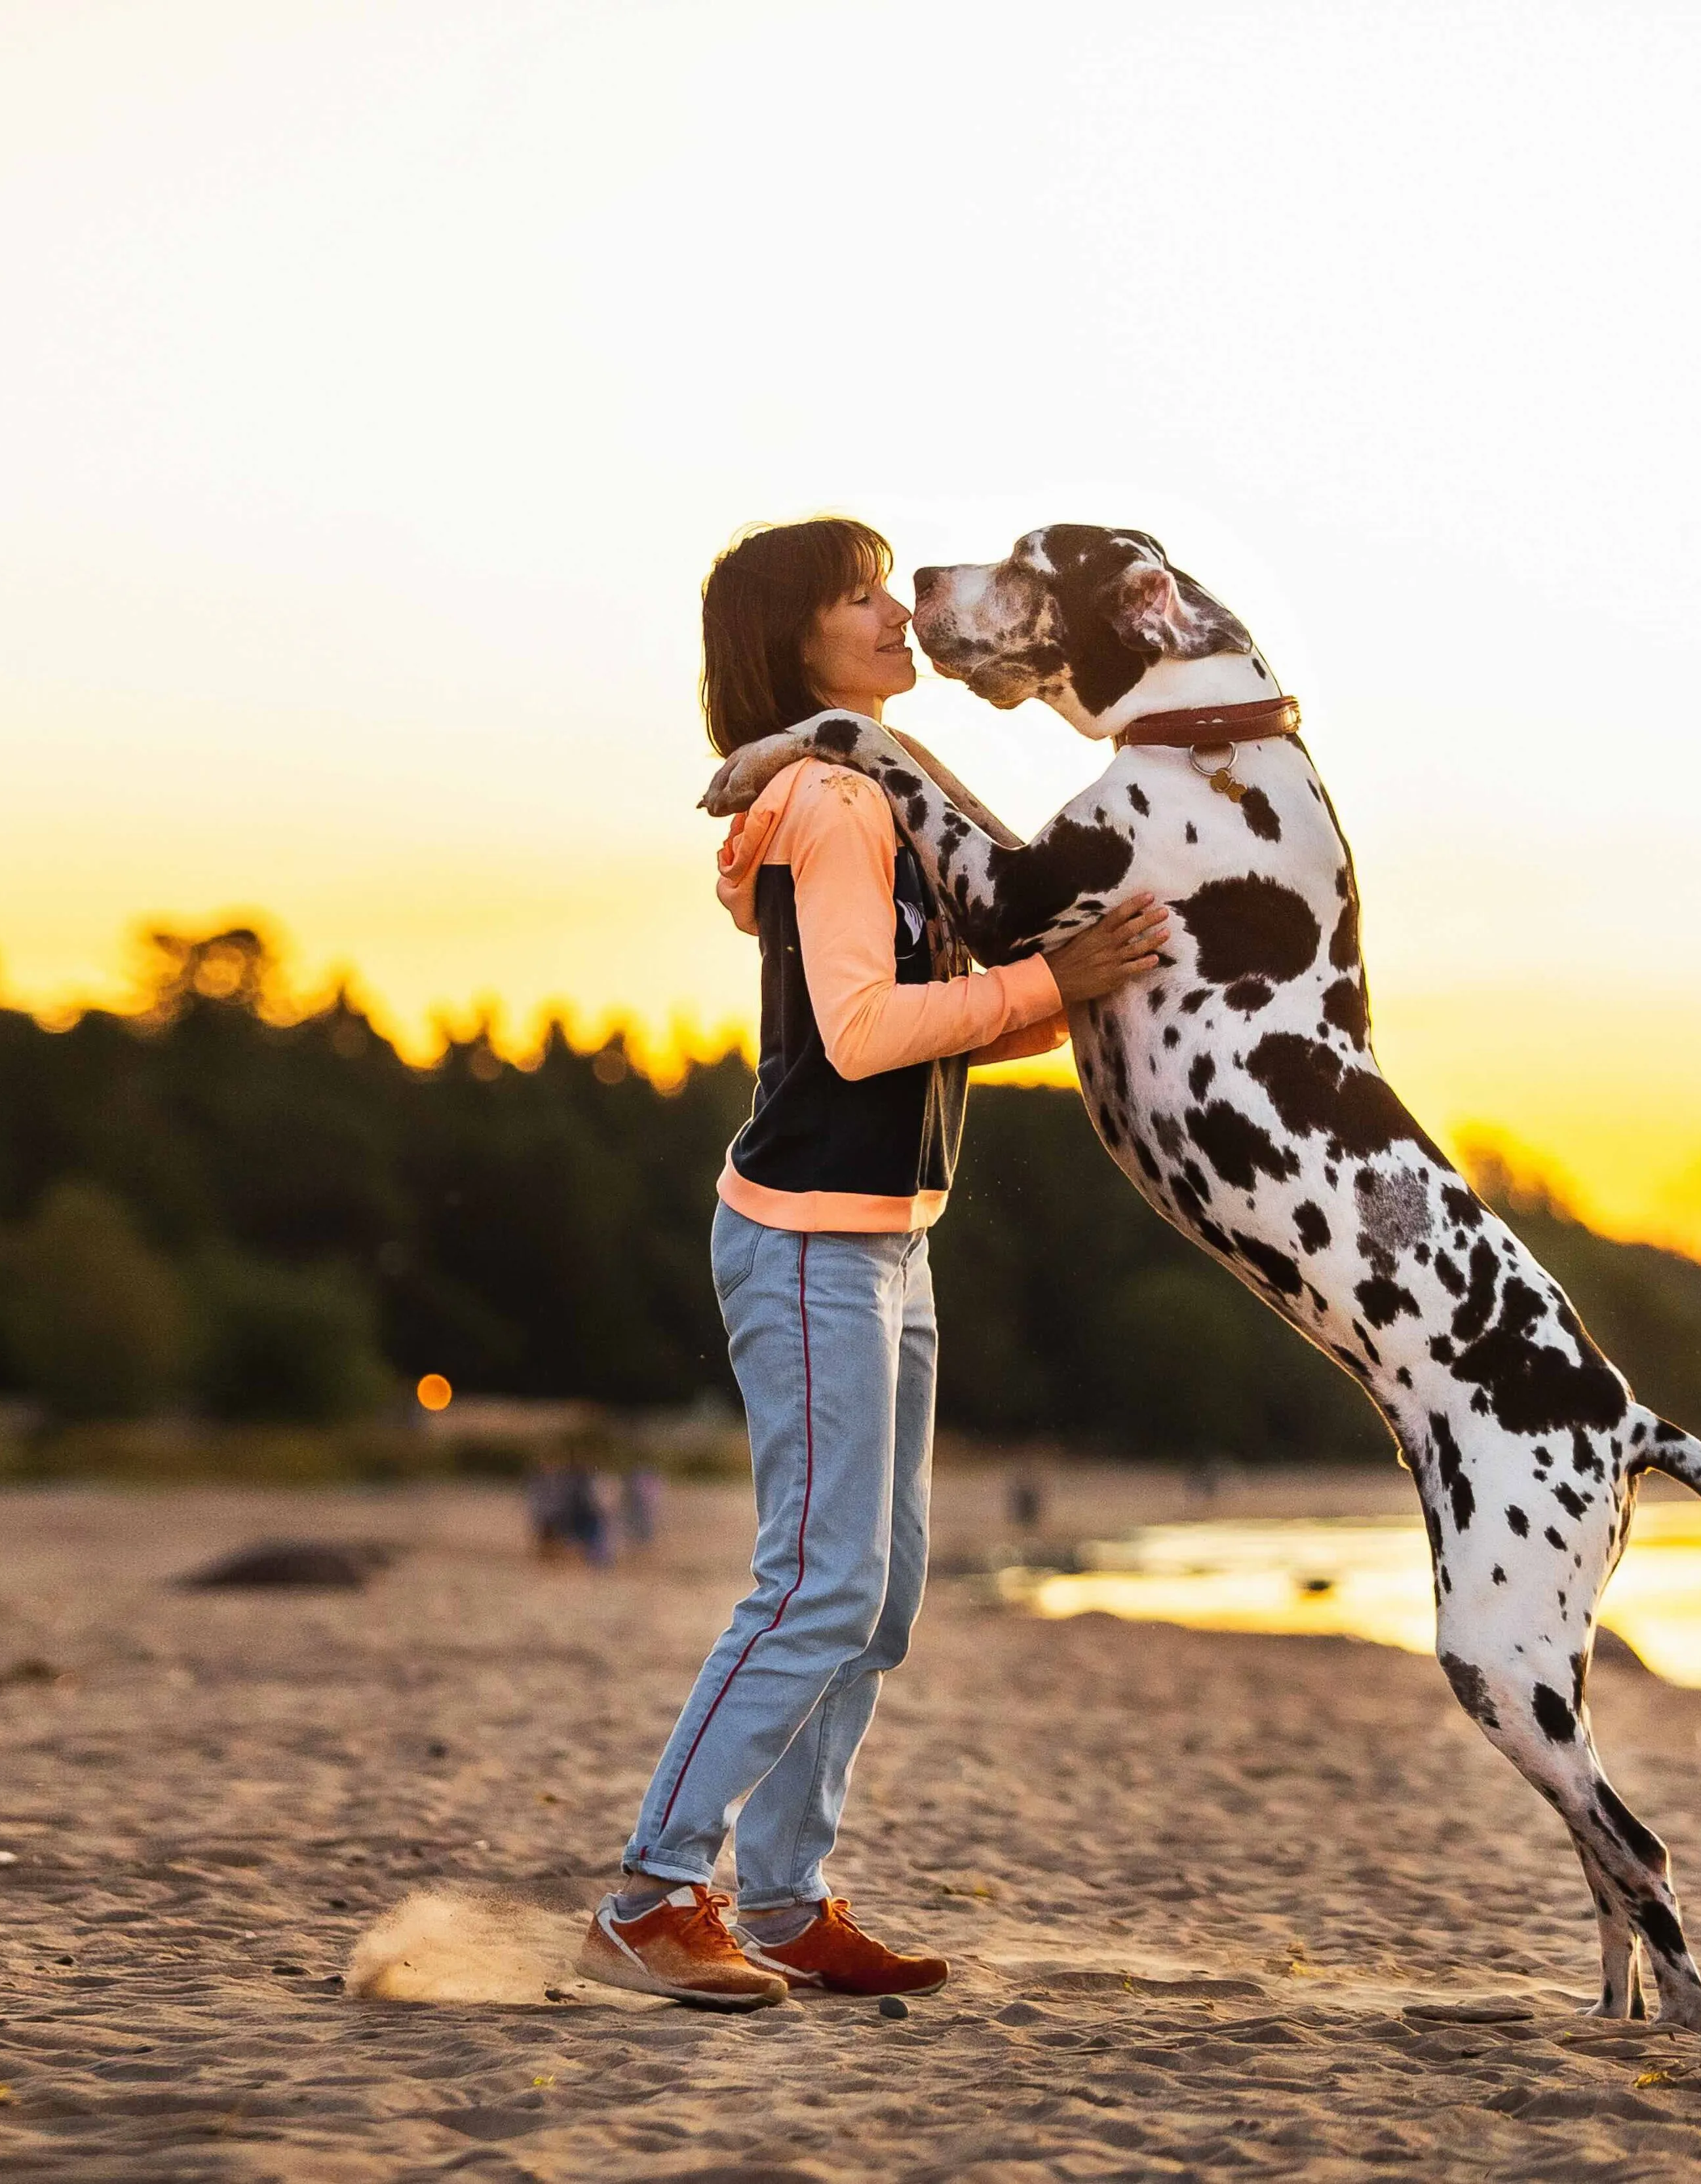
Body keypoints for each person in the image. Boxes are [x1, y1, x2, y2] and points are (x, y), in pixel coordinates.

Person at [579, 518, 1170, 2009]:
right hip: (804, 1241)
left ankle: (779, 1902)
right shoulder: (836, 804)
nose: (899, 610)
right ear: (795, 645)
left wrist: (1074, 990)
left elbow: (963, 1017)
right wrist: (1049, 979)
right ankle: (653, 1893)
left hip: (891, 1242)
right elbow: (857, 1035)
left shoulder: (878, 806)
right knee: (816, 1583)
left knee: (881, 1595)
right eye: (860, 595)